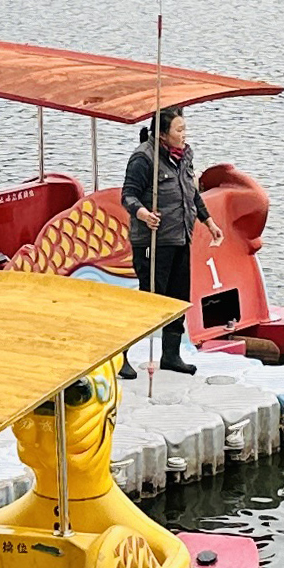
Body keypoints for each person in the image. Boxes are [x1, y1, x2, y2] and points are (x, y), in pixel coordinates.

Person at [122, 108, 201, 376]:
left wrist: (209, 221)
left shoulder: (185, 156)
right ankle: (120, 355)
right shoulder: (143, 158)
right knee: (149, 300)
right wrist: (143, 214)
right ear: (162, 135)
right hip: (153, 242)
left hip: (180, 237)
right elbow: (128, 196)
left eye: (184, 129)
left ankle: (171, 355)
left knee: (178, 298)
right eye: (179, 130)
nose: (184, 135)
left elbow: (192, 194)